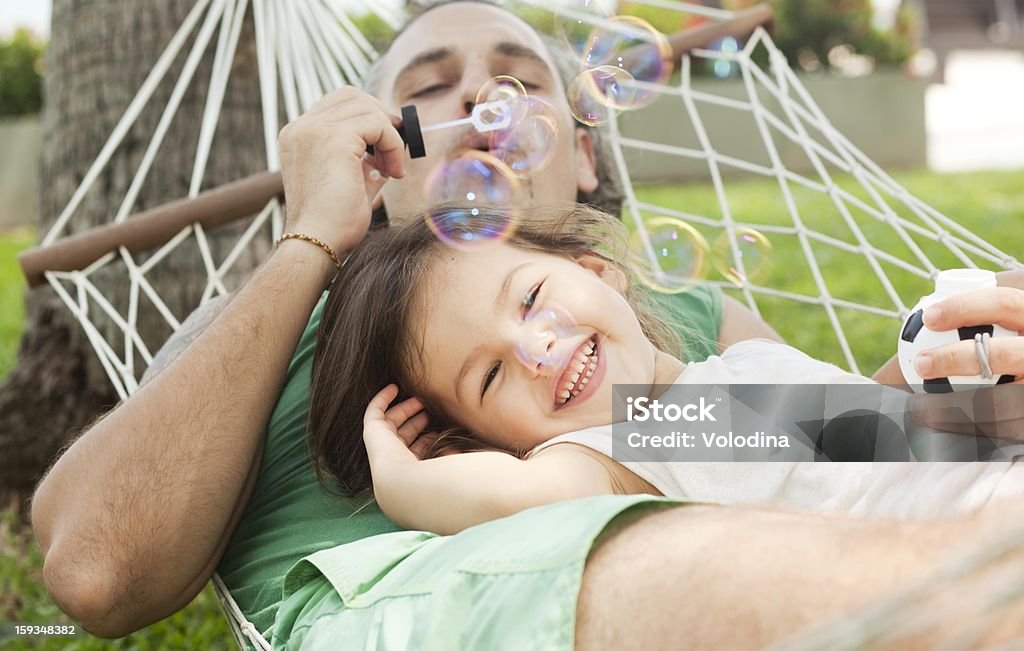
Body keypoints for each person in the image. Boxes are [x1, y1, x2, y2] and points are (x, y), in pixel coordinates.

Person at [29, 0, 1024, 649]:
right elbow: (94, 568)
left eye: (521, 75)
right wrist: (309, 243)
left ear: (585, 160)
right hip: (454, 589)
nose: (482, 96)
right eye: (426, 92)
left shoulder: (674, 335)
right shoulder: (270, 319)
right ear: (375, 166)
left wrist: (964, 371)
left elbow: (829, 434)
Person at [308, 203, 1022, 536]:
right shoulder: (608, 453)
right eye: (489, 377)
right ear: (484, 439)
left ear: (597, 270)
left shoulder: (738, 365)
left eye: (530, 298)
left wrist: (945, 353)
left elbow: (872, 432)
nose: (537, 348)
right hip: (969, 545)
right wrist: (403, 482)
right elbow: (511, 495)